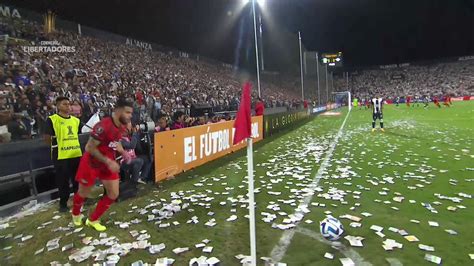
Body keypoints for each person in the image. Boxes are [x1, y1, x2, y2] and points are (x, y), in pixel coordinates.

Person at [71, 98, 133, 232]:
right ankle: (76, 214)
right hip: (91, 163)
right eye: (127, 112)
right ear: (117, 111)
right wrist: (109, 161)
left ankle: (93, 219)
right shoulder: (102, 126)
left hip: (107, 163)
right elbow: (89, 147)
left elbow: (115, 142)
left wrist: (123, 152)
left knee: (113, 193)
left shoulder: (121, 126)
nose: (130, 116)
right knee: (84, 192)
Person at [44, 97, 82, 212]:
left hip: (75, 153)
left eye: (69, 104)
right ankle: (63, 203)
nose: (68, 106)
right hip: (61, 155)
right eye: (65, 104)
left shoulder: (76, 120)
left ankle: (79, 200)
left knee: (78, 180)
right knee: (63, 181)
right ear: (58, 106)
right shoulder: (52, 119)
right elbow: (47, 138)